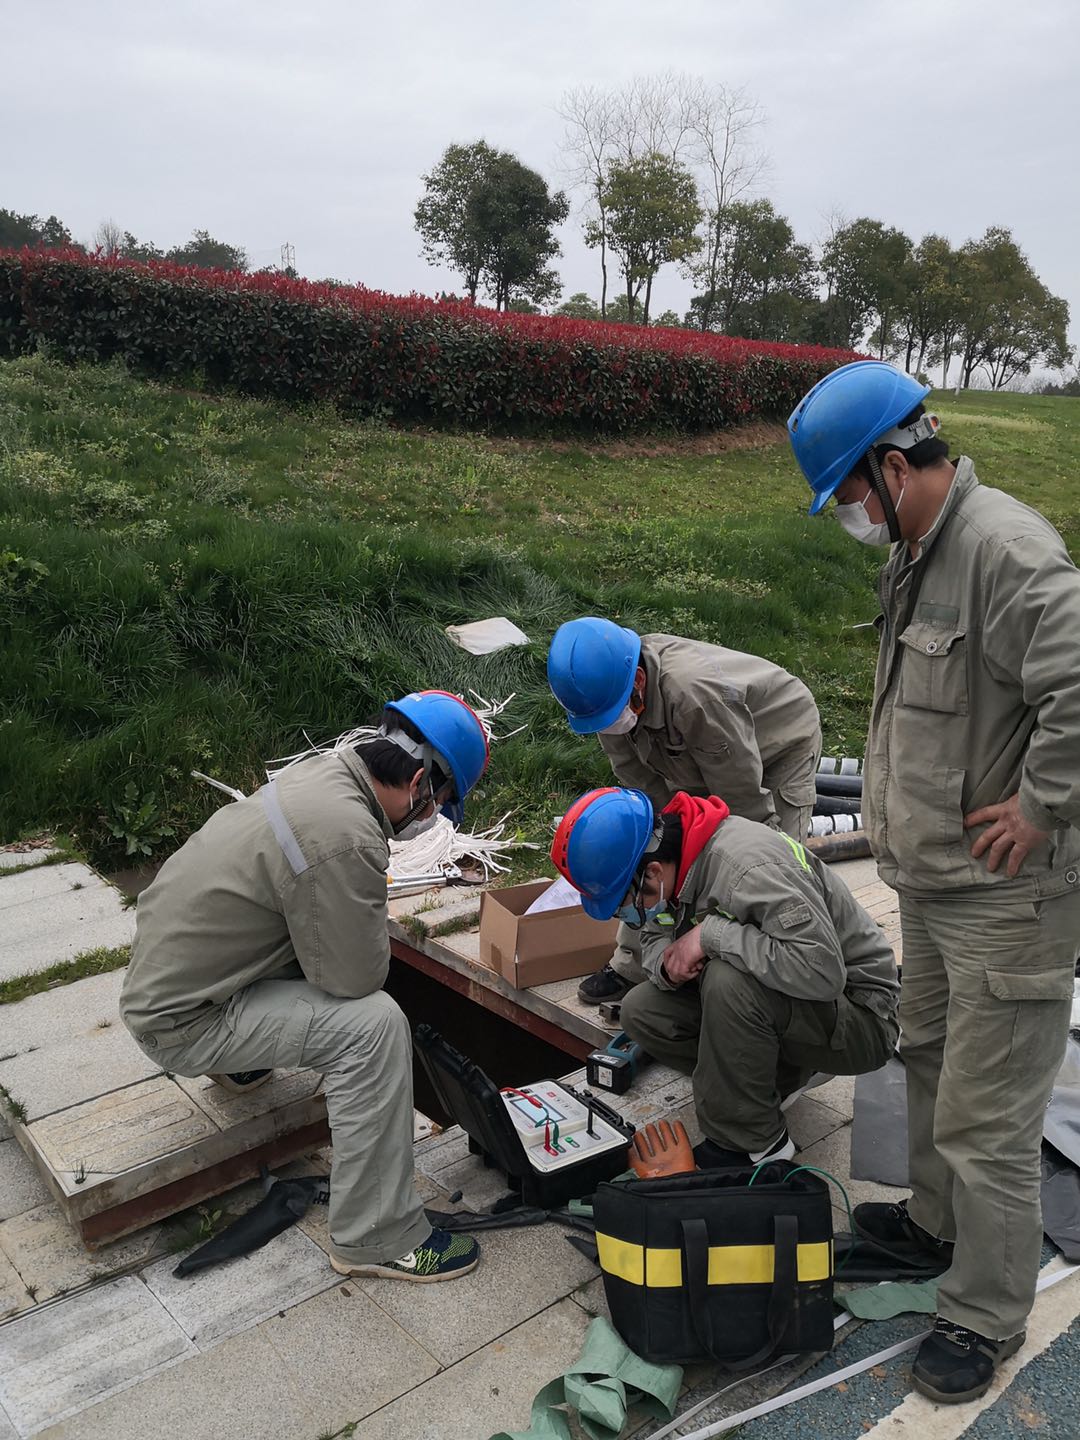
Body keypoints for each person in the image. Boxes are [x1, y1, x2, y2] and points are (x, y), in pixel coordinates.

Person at [788, 359, 1080, 1404]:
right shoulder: (918, 552)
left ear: (894, 464)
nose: (852, 514)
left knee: (990, 1122)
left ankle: (985, 1312)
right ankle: (933, 1225)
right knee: (930, 1061)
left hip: (1010, 898)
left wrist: (1043, 804)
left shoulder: (1005, 549)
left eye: (851, 492)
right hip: (939, 882)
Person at [120, 690, 490, 1284]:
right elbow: (355, 980)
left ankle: (243, 1063)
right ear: (421, 781)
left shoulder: (324, 775)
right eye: (440, 804)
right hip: (182, 1022)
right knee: (373, 1028)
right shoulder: (346, 836)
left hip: (171, 979)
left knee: (307, 929)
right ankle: (377, 1236)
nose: (433, 818)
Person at [551, 786, 899, 1166]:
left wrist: (711, 936)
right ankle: (772, 1083)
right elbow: (653, 933)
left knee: (726, 979)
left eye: (626, 907)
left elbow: (821, 971)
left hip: (860, 1016)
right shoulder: (671, 869)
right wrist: (667, 966)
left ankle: (756, 1144)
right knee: (642, 1010)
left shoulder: (748, 869)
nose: (630, 917)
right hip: (799, 1002)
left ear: (652, 872)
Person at [547, 618, 822, 1004]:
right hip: (697, 748)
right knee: (656, 853)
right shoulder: (607, 701)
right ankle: (630, 963)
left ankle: (767, 974)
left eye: (612, 716)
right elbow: (646, 808)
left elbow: (744, 804)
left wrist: (736, 880)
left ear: (638, 680)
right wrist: (667, 845)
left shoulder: (696, 695)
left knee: (766, 863)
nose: (610, 728)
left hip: (777, 741)